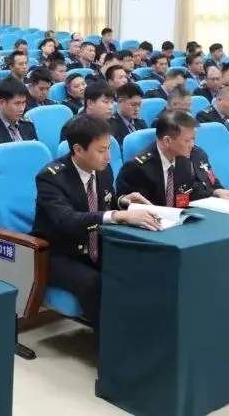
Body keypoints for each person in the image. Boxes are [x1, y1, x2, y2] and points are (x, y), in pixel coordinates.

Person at [32, 115, 161, 327]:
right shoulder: (51, 177)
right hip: (59, 253)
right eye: (101, 150)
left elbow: (103, 203)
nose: (108, 157)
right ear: (78, 150)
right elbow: (67, 219)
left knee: (138, 265)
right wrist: (117, 216)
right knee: (95, 282)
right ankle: (109, 340)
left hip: (96, 244)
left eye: (109, 149)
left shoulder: (102, 169)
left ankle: (140, 329)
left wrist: (122, 202)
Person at [116, 110, 229, 206]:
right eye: (187, 141)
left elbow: (190, 193)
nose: (192, 145)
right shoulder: (138, 169)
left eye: (193, 139)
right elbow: (133, 208)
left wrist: (215, 192)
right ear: (167, 141)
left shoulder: (184, 159)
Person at [0, 78, 37, 146]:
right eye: (17, 103)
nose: (22, 109)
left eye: (23, 103)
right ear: (2, 103)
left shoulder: (28, 125)